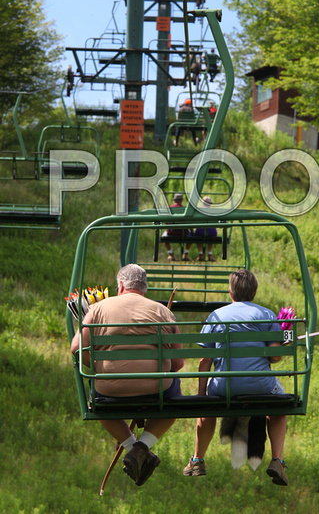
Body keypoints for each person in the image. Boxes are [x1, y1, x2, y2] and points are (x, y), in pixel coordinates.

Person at [70, 264, 184, 487]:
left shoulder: (98, 309)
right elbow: (178, 362)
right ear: (145, 288)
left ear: (121, 285)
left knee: (98, 402)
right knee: (175, 401)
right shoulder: (162, 311)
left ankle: (133, 448)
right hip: (155, 390)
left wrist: (97, 368)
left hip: (109, 391)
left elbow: (76, 348)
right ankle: (141, 449)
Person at [183, 269, 288, 486]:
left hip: (224, 386)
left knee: (207, 409)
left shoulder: (217, 316)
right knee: (280, 406)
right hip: (261, 386)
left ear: (230, 292)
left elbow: (205, 360)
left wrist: (202, 394)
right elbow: (276, 356)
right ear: (254, 292)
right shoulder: (267, 315)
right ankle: (277, 460)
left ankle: (197, 459)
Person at [182, 196, 217, 262]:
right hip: (212, 233)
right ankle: (210, 255)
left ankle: (201, 255)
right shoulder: (214, 211)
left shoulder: (198, 210)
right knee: (212, 234)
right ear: (210, 204)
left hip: (200, 232)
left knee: (198, 234)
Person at [161, 192, 190, 261]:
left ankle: (171, 254)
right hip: (184, 233)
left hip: (171, 233)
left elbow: (165, 221)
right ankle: (185, 253)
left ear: (174, 200)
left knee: (163, 237)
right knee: (191, 235)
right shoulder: (185, 209)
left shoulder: (169, 209)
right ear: (182, 200)